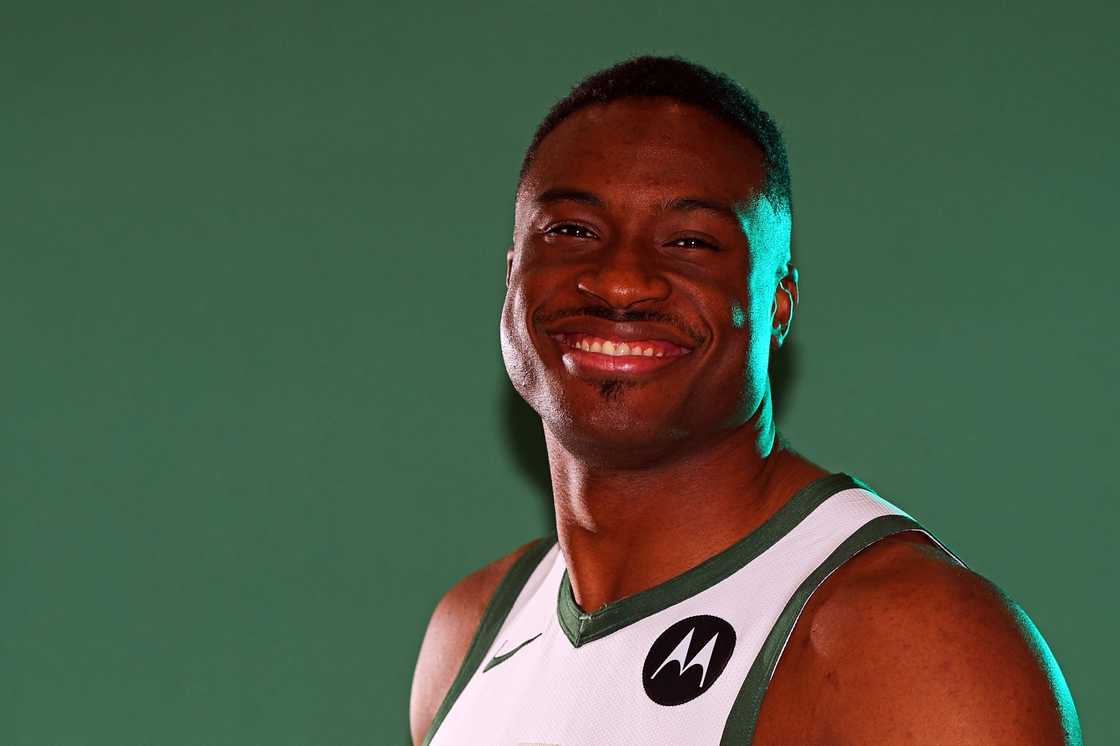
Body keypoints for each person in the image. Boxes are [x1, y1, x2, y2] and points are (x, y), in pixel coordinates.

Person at [409, 55, 1081, 745]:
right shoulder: (470, 635)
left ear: (779, 302)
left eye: (691, 241)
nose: (619, 281)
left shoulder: (908, 644)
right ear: (513, 270)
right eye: (572, 231)